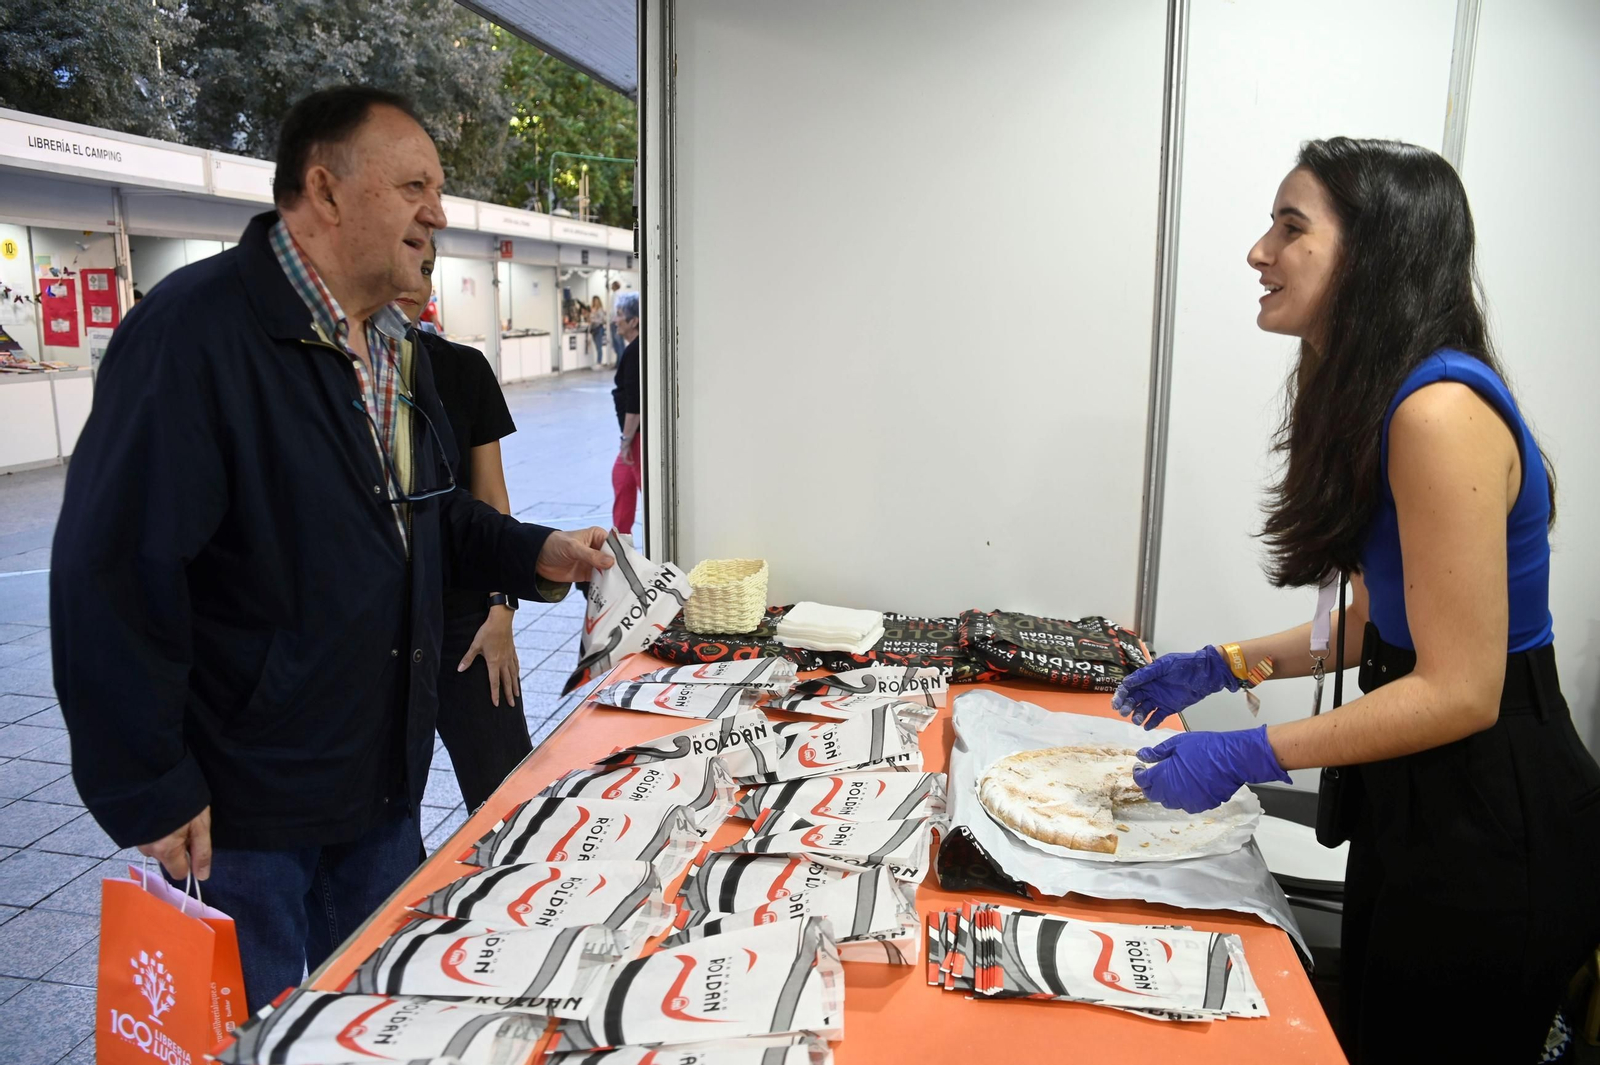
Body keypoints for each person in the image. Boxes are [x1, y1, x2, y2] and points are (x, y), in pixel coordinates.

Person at [50, 85, 613, 1013]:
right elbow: (110, 572)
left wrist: (534, 551)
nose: (437, 212)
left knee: (383, 1015)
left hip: (379, 785)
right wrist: (149, 784)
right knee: (263, 1029)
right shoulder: (195, 335)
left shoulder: (392, 346)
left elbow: (420, 516)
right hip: (247, 811)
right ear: (326, 188)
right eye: (414, 185)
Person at [1112, 137, 1600, 1062]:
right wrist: (1229, 664)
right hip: (1421, 801)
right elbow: (1383, 619)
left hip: (1496, 817)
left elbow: (1461, 688)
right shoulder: (1374, 394)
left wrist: (1254, 748)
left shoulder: (1437, 413)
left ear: (1373, 254)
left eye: (1290, 228)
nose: (1260, 251)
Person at [397, 239, 530, 812]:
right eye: (401, 262)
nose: (412, 281)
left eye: (426, 269)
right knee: (390, 819)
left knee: (507, 789)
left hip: (466, 620)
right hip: (384, 627)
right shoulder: (334, 375)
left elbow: (490, 496)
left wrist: (500, 609)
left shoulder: (460, 368)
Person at [610, 290, 642, 539]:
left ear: (634, 321)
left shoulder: (635, 352)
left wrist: (626, 440)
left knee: (643, 485)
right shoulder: (634, 349)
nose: (616, 320)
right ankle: (622, 543)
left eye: (620, 315)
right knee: (621, 478)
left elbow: (635, 404)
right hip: (633, 436)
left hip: (637, 437)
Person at [589, 294, 608, 365]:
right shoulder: (592, 309)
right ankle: (597, 361)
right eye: (594, 301)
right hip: (593, 329)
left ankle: (599, 362)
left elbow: (602, 319)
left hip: (599, 328)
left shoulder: (600, 310)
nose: (595, 302)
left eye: (596, 301)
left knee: (599, 346)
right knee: (596, 346)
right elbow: (591, 318)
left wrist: (594, 319)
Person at [609, 279, 625, 359]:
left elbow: (614, 309)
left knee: (617, 342)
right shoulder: (621, 295)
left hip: (615, 321)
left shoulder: (615, 295)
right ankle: (620, 361)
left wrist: (613, 319)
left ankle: (620, 362)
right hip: (618, 320)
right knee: (620, 342)